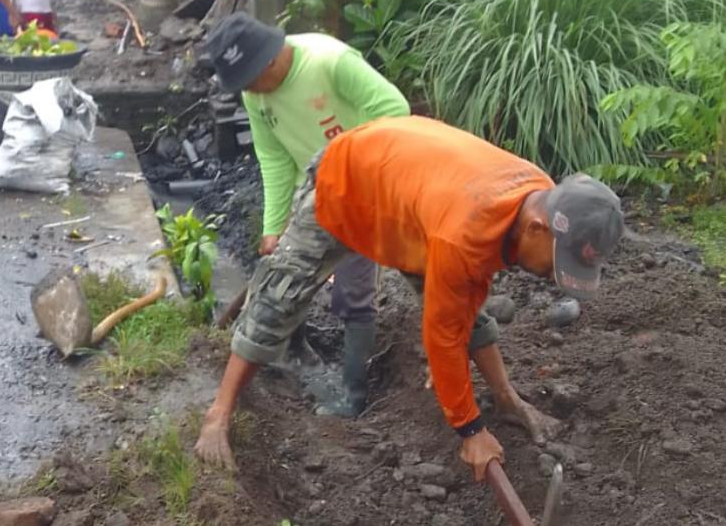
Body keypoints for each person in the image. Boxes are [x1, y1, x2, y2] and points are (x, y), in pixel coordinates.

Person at [194, 115, 623, 481]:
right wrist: (470, 431)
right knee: (280, 295)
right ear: (536, 228)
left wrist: (471, 383)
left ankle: (508, 398)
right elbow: (441, 335)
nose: (553, 274)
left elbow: (470, 295)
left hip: (415, 198)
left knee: (464, 308)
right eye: (554, 262)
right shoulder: (466, 233)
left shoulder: (537, 196)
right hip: (352, 179)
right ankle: (219, 413)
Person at [204, 13, 410, 417]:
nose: (251, 93)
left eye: (250, 81)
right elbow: (274, 158)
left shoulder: (329, 62)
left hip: (365, 192)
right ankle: (295, 354)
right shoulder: (255, 93)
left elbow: (395, 109)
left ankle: (353, 395)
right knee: (283, 274)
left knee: (353, 292)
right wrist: (273, 226)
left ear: (268, 61)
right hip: (315, 195)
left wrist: (347, 163)